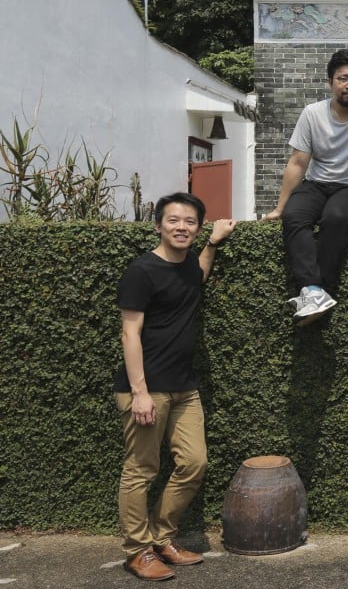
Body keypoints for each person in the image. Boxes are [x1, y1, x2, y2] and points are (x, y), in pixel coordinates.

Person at [116, 192, 237, 581]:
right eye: (173, 220)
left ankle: (162, 538)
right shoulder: (141, 271)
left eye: (190, 222)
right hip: (146, 388)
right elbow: (129, 333)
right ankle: (137, 551)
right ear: (158, 226)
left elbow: (197, 276)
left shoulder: (187, 267)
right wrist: (139, 392)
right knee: (141, 470)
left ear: (197, 228)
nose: (181, 227)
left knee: (194, 463)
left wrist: (213, 243)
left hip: (184, 387)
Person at [265, 49, 348, 324]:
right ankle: (313, 290)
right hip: (316, 184)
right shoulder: (312, 114)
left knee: (336, 217)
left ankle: (321, 290)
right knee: (294, 215)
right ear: (330, 82)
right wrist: (279, 208)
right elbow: (298, 162)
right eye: (343, 78)